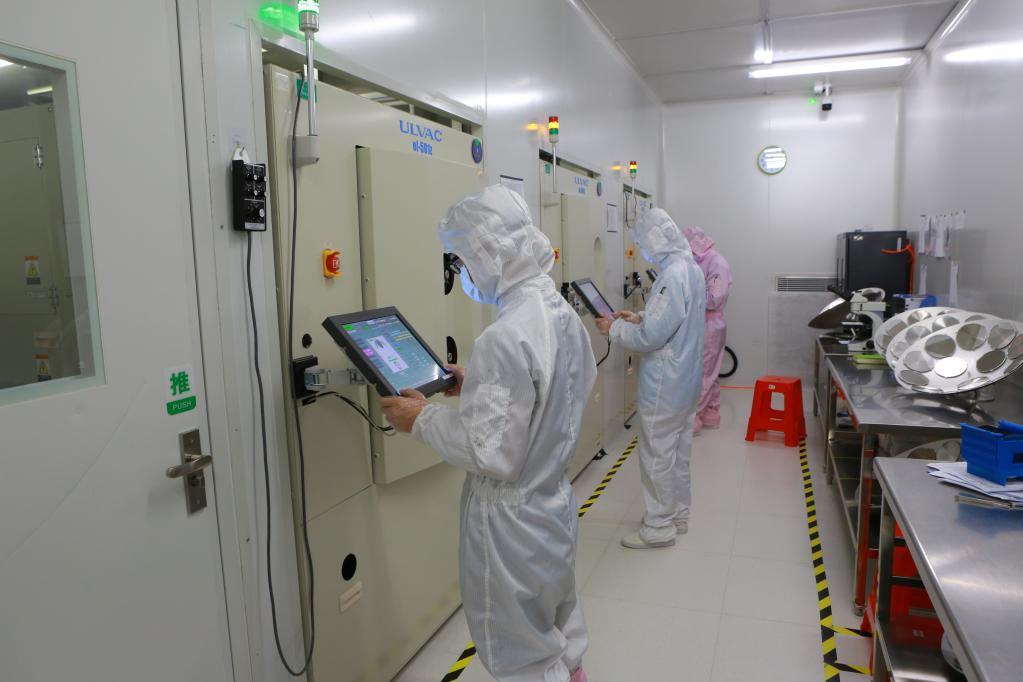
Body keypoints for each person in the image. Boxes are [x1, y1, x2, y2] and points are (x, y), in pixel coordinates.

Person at [380, 185, 597, 682]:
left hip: (510, 527)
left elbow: (492, 452)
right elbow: (557, 394)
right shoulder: (558, 313)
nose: (462, 275)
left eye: (460, 263)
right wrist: (477, 384)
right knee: (558, 620)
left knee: (519, 653)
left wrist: (421, 419)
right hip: (551, 503)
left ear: (486, 255)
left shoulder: (505, 336)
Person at [595, 208, 705, 549]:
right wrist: (640, 316)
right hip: (686, 382)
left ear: (656, 239)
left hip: (665, 386)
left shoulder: (672, 275)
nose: (643, 250)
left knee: (657, 456)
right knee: (679, 454)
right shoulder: (691, 269)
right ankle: (678, 515)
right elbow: (672, 317)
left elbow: (651, 337)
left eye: (643, 243)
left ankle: (659, 527)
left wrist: (614, 328)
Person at [683, 226, 733, 433]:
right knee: (710, 373)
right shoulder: (699, 261)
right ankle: (711, 414)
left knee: (703, 374)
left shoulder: (716, 263)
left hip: (710, 325)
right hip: (702, 323)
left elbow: (713, 299)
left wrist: (685, 295)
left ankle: (694, 418)